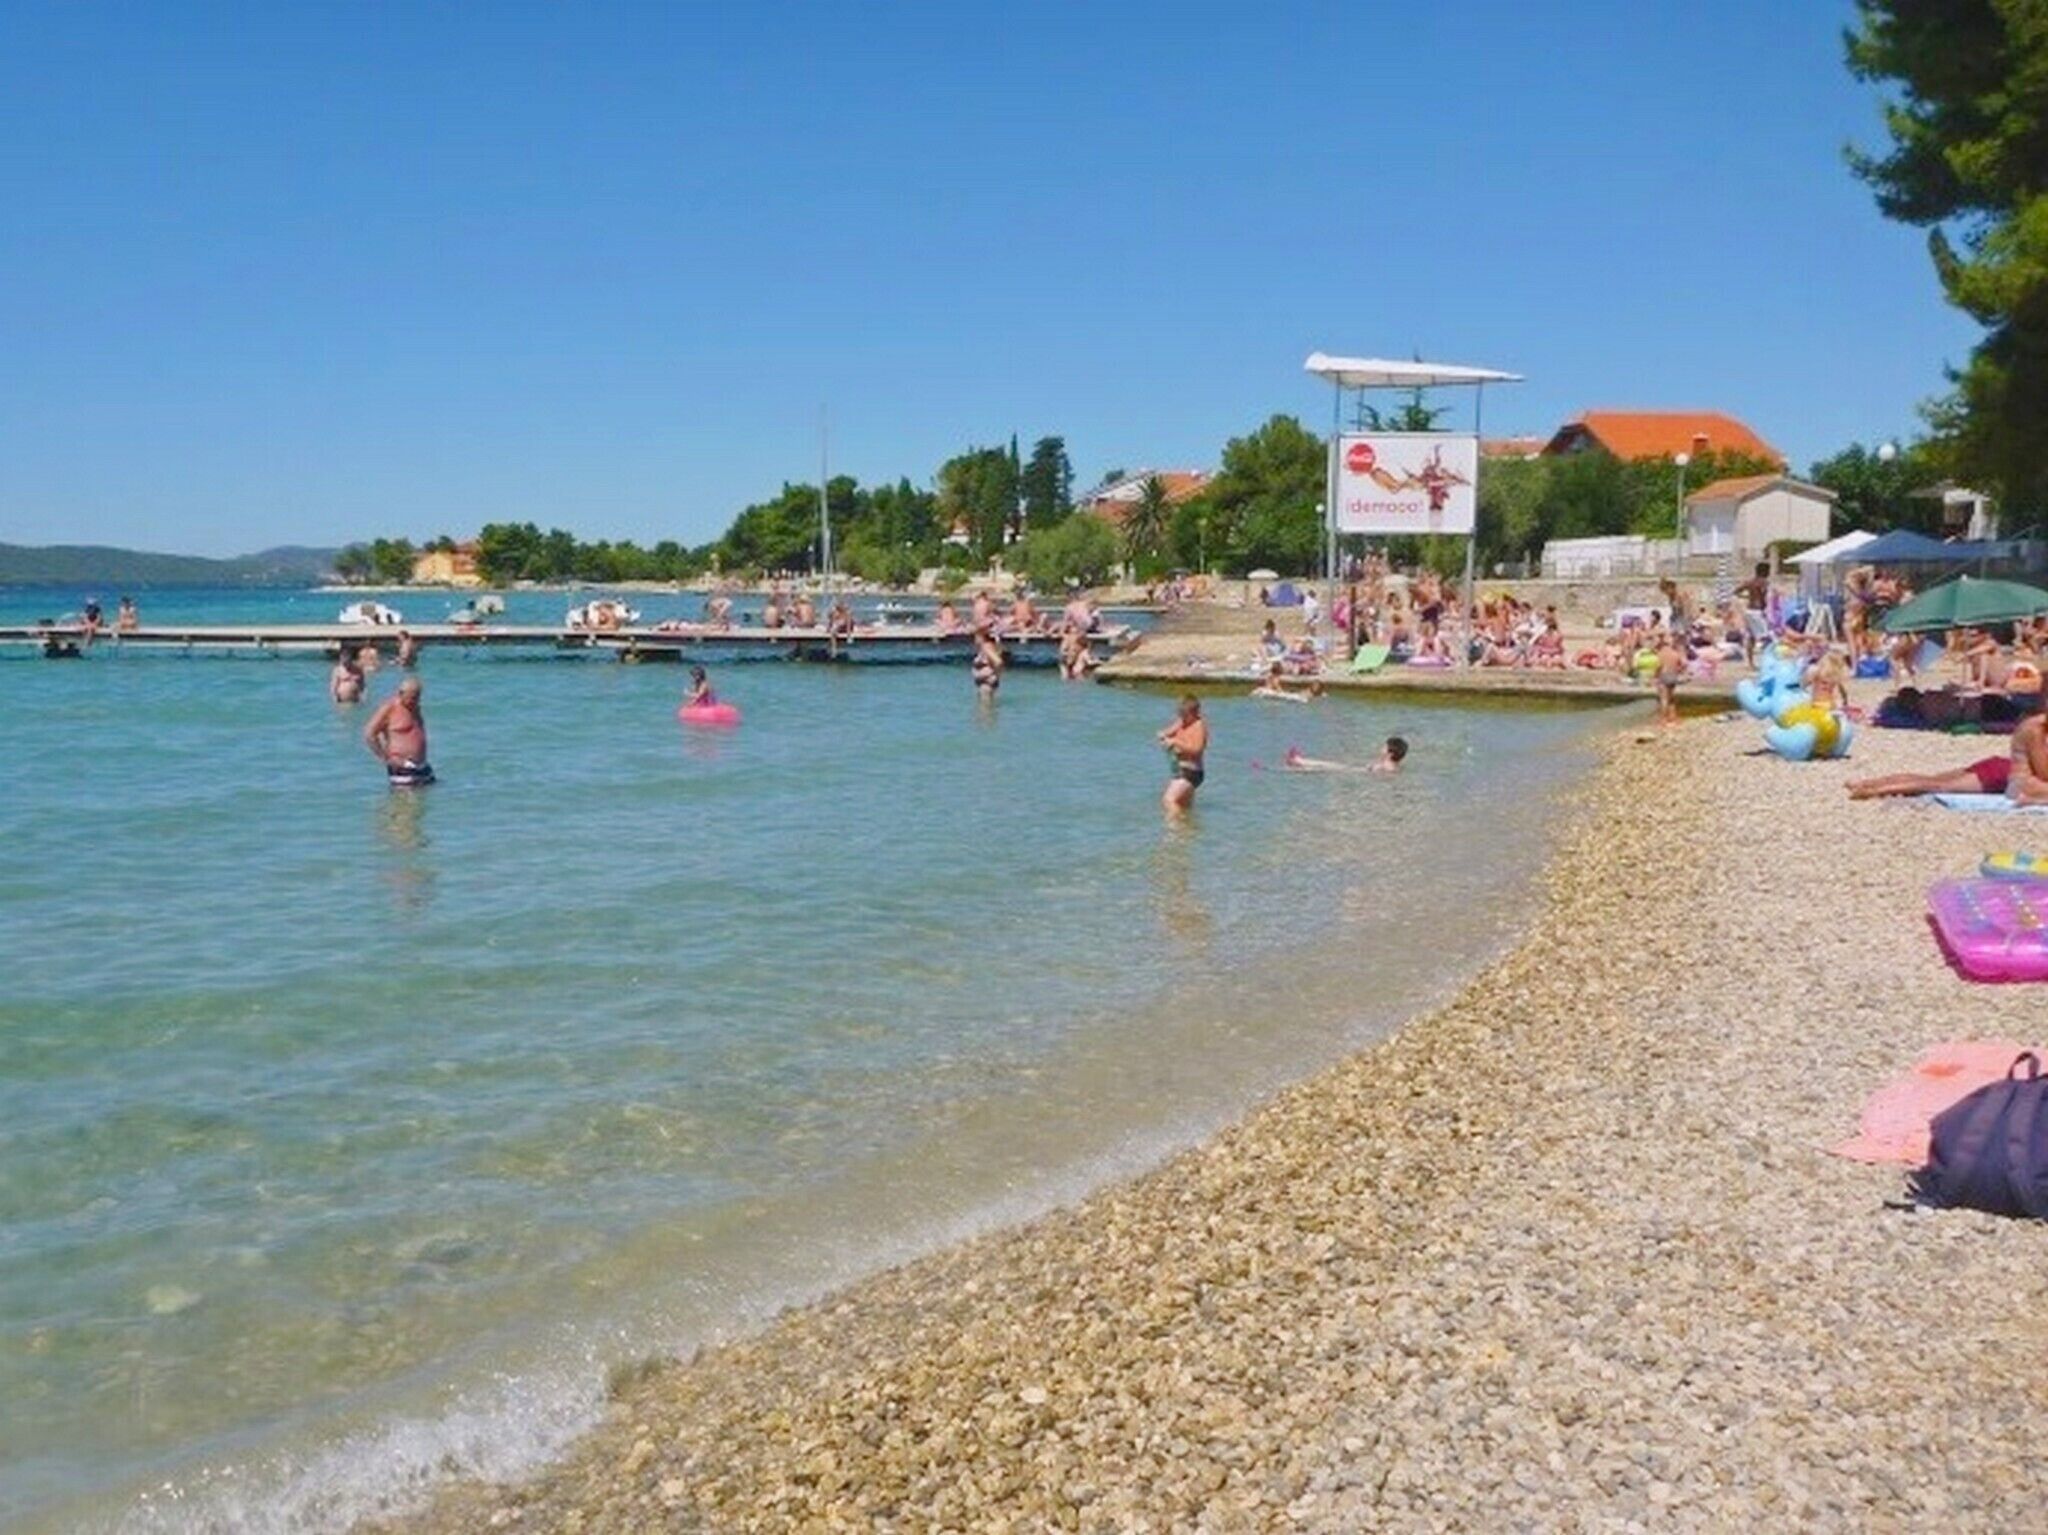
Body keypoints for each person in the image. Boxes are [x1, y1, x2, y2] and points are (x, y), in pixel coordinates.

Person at [365, 676, 434, 787]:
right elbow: (369, 734)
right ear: (400, 693)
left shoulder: (415, 707)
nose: (415, 701)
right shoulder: (389, 708)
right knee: (404, 798)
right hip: (401, 767)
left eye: (417, 697)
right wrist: (385, 758)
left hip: (423, 766)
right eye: (412, 698)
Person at [1157, 694, 1208, 815]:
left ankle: (1176, 826)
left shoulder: (1199, 726)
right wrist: (1163, 736)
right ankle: (1188, 826)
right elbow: (1166, 733)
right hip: (1178, 770)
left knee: (1169, 800)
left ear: (1194, 713)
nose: (1182, 717)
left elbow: (1197, 750)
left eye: (1185, 714)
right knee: (1184, 806)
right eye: (1180, 714)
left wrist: (1176, 742)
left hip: (1191, 772)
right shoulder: (1182, 721)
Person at [1283, 736, 1407, 773]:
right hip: (1359, 769)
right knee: (1326, 765)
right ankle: (1299, 761)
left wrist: (1373, 768)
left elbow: (1381, 773)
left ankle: (1298, 762)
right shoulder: (1391, 765)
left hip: (1357, 771)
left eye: (1384, 746)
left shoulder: (1387, 766)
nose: (1381, 747)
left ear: (1390, 752)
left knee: (1326, 766)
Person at [971, 627, 1004, 698]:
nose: (974, 640)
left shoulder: (986, 648)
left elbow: (998, 662)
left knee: (985, 703)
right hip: (986, 683)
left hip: (986, 684)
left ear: (982, 638)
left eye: (976, 637)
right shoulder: (988, 647)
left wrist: (994, 675)